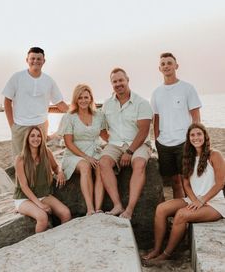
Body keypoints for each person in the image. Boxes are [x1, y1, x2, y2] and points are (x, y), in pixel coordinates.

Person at [141, 123, 225, 262]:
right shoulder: (187, 156)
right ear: (188, 138)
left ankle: (166, 254)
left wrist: (202, 201)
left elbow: (220, 183)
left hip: (214, 204)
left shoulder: (214, 154)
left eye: (199, 134)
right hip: (194, 199)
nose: (196, 137)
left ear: (205, 136)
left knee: (181, 215)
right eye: (192, 135)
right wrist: (194, 200)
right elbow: (185, 183)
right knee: (161, 209)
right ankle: (157, 249)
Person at [99, 67, 153, 220]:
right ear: (111, 84)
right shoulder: (107, 104)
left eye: (121, 80)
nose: (118, 84)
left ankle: (129, 209)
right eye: (114, 81)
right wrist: (110, 142)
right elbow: (102, 128)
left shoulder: (141, 103)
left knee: (139, 163)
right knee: (103, 162)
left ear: (127, 80)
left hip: (139, 143)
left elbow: (143, 131)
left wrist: (129, 152)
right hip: (115, 143)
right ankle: (117, 205)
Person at [151, 52, 202, 198]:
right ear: (159, 68)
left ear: (176, 66)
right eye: (163, 64)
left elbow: (196, 117)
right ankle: (179, 209)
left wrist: (195, 140)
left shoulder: (187, 88)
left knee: (188, 180)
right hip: (164, 144)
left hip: (184, 142)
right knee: (175, 181)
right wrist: (157, 140)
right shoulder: (156, 93)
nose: (166, 66)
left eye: (169, 63)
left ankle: (192, 213)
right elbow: (156, 118)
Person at [2, 47, 68, 156]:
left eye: (39, 59)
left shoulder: (48, 80)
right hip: (20, 126)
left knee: (39, 159)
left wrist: (77, 112)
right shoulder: (17, 77)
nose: (35, 61)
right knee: (20, 159)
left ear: (43, 61)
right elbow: (7, 100)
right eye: (32, 58)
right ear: (27, 60)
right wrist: (12, 126)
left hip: (41, 125)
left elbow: (59, 103)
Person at [59, 84, 108, 215]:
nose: (83, 100)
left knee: (101, 167)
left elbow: (104, 135)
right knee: (86, 166)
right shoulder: (69, 117)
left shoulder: (99, 115)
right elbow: (68, 143)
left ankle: (98, 209)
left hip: (94, 150)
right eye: (80, 98)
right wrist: (86, 157)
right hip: (74, 154)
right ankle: (90, 209)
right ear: (75, 99)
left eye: (86, 97)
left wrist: (122, 144)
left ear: (91, 98)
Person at [14, 126, 71, 233]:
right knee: (42, 217)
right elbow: (24, 186)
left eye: (39, 136)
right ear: (27, 138)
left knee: (66, 213)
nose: (36, 138)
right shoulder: (20, 159)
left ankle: (61, 241)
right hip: (24, 198)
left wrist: (60, 173)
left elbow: (55, 167)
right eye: (32, 136)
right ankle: (38, 247)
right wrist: (40, 205)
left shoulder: (47, 153)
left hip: (42, 194)